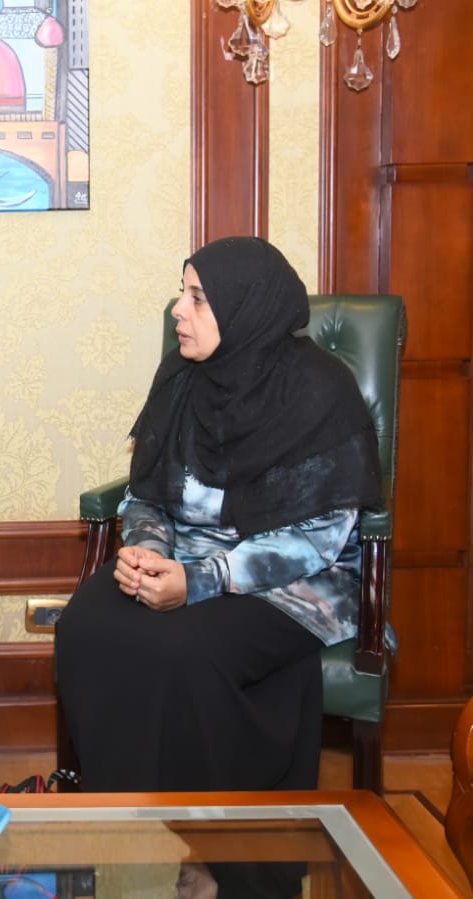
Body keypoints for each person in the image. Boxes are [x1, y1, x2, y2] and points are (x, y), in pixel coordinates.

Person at [54, 236, 382, 898]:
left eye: (197, 298)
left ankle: (218, 851)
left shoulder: (321, 391)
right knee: (85, 626)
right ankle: (123, 836)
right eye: (183, 292)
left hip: (293, 581)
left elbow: (320, 537)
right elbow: (147, 492)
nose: (179, 310)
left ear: (244, 307)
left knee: (186, 650)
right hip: (184, 559)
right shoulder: (182, 378)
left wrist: (201, 582)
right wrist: (148, 548)